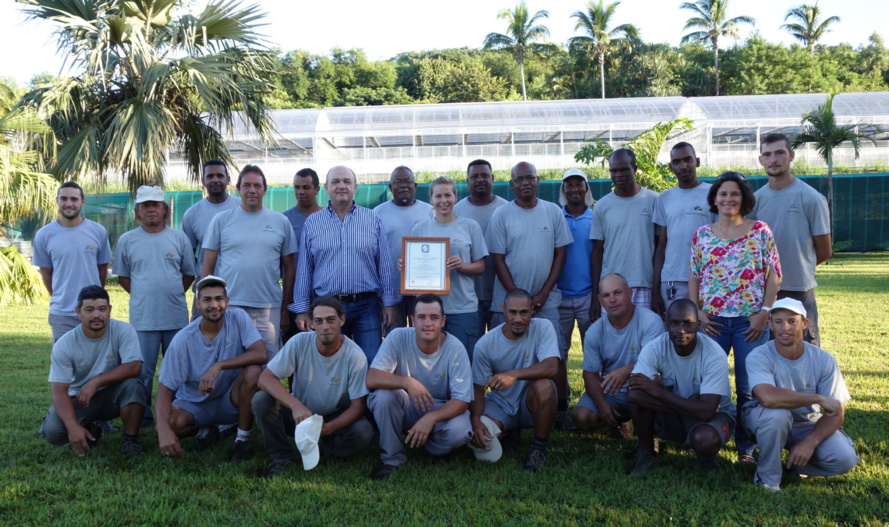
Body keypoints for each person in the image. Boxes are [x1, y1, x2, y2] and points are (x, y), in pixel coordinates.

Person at [689, 171, 781, 463]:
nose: (729, 199)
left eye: (735, 194)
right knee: (706, 385)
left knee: (748, 387)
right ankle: (700, 440)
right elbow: (693, 277)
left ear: (744, 199)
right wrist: (698, 312)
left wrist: (764, 313)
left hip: (749, 324)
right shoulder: (702, 235)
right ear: (714, 199)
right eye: (723, 194)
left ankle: (746, 448)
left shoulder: (760, 231)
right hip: (711, 323)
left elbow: (774, 276)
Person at [486, 161, 574, 430]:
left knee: (554, 356)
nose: (525, 183)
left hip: (546, 300)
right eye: (519, 179)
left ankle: (559, 409)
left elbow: (561, 254)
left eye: (530, 178)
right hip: (509, 302)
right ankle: (505, 407)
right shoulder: (501, 215)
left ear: (538, 182)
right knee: (505, 356)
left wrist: (544, 292)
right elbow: (497, 259)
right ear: (511, 184)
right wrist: (516, 298)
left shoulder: (552, 212)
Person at [742, 298, 858, 492]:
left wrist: (809, 443)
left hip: (807, 423)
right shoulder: (759, 355)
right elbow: (767, 398)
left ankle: (793, 462)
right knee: (778, 415)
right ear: (770, 324)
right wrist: (818, 398)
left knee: (844, 459)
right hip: (764, 419)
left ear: (805, 324)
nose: (784, 327)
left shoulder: (824, 360)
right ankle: (767, 479)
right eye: (778, 321)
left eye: (792, 321)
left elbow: (836, 411)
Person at [252, 296, 373, 478]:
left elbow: (358, 407)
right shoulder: (299, 342)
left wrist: (329, 428)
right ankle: (282, 457)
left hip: (333, 415)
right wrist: (295, 405)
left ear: (342, 320)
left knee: (363, 431)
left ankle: (329, 450)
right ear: (312, 324)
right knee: (260, 400)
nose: (325, 326)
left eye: (331, 320)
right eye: (319, 321)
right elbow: (265, 379)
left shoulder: (355, 355)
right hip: (300, 415)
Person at [291, 165, 399, 364]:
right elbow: (305, 269)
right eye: (336, 182)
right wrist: (301, 309)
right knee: (331, 364)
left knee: (369, 363)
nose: (341, 186)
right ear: (326, 187)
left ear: (355, 187)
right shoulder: (313, 223)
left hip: (366, 307)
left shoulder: (372, 219)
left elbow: (383, 264)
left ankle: (367, 397)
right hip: (326, 307)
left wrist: (389, 303)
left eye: (347, 182)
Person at [155, 276, 267, 463]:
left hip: (229, 399)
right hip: (194, 404)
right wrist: (164, 429)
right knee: (169, 424)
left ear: (227, 301)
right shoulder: (182, 340)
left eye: (219, 299)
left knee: (254, 372)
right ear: (198, 303)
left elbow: (261, 354)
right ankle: (205, 432)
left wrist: (220, 365)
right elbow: (165, 390)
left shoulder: (238, 317)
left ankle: (241, 440)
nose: (214, 305)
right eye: (207, 300)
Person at [365, 295, 473, 481]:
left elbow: (462, 400)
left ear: (443, 320)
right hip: (407, 406)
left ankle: (431, 447)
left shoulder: (455, 347)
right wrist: (407, 382)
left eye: (434, 317)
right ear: (412, 320)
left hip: (439, 408)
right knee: (383, 396)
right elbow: (372, 377)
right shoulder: (397, 336)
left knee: (460, 431)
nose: (427, 323)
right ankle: (392, 458)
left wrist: (431, 418)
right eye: (421, 317)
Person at [115, 185, 195, 425]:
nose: (151, 210)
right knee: (144, 370)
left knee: (178, 368)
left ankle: (177, 409)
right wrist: (145, 294)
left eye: (155, 205)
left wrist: (169, 293)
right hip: (144, 319)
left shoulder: (179, 237)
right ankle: (144, 414)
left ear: (165, 210)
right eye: (145, 206)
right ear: (137, 211)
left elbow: (189, 274)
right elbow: (123, 277)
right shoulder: (127, 240)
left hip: (175, 318)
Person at [627, 299, 737, 474]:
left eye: (688, 324)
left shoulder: (714, 354)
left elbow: (707, 411)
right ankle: (647, 454)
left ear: (698, 325)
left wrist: (658, 392)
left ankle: (706, 456)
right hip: (685, 409)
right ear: (666, 323)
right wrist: (686, 404)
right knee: (638, 403)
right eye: (674, 324)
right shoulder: (655, 347)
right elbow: (634, 395)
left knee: (704, 439)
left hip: (714, 415)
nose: (681, 330)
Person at [39, 286, 146, 459]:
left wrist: (95, 382)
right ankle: (90, 427)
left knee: (134, 386)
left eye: (102, 309)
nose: (96, 315)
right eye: (89, 310)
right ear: (78, 312)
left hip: (112, 394)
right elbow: (59, 390)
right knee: (53, 432)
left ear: (109, 310)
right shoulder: (65, 344)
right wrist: (72, 426)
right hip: (80, 398)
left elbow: (135, 366)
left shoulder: (123, 330)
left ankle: (130, 440)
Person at [202, 165, 296, 360]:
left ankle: (264, 393)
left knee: (268, 361)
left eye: (257, 185)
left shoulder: (280, 222)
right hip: (231, 305)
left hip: (268, 308)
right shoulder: (221, 220)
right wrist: (207, 302)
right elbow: (207, 268)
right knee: (230, 361)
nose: (252, 190)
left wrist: (286, 309)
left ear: (264, 189)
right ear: (237, 188)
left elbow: (289, 269)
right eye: (246, 185)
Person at [754, 133, 832, 347]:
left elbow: (825, 250)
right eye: (767, 154)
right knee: (767, 356)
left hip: (799, 291)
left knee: (803, 354)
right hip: (764, 294)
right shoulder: (756, 201)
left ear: (792, 155)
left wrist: (797, 269)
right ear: (760, 160)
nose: (774, 159)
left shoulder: (811, 198)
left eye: (780, 153)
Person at [470, 289, 559, 471]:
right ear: (504, 310)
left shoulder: (543, 327)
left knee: (544, 386)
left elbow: (551, 367)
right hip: (501, 403)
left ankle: (538, 447)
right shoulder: (485, 344)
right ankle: (509, 430)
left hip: (530, 402)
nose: (518, 319)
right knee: (480, 438)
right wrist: (476, 420)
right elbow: (478, 389)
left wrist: (514, 374)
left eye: (524, 312)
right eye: (513, 312)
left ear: (532, 310)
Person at [572, 274, 664, 435]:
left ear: (630, 293)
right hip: (612, 391)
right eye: (606, 295)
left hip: (645, 387)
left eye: (617, 293)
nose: (612, 299)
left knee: (651, 380)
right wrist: (602, 404)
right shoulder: (595, 331)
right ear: (600, 300)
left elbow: (656, 362)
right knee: (581, 417)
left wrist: (625, 371)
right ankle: (620, 421)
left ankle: (648, 437)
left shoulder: (651, 321)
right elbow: (590, 373)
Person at [409, 176, 487, 357]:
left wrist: (463, 266)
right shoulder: (420, 230)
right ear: (431, 199)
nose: (443, 201)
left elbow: (481, 267)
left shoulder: (470, 226)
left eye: (448, 195)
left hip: (462, 308)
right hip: (430, 311)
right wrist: (406, 267)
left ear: (455, 197)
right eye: (438, 196)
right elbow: (414, 269)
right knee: (431, 363)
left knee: (464, 362)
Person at [33, 182, 112, 343]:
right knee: (65, 363)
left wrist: (94, 299)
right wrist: (61, 296)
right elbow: (46, 274)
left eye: (74, 199)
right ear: (57, 201)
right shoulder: (44, 235)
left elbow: (102, 269)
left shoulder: (98, 231)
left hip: (94, 311)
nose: (69, 203)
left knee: (97, 362)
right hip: (62, 313)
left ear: (82, 202)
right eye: (64, 199)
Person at [590, 148, 658, 320]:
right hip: (612, 289)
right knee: (615, 341)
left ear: (634, 169)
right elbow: (597, 251)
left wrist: (657, 291)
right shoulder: (602, 206)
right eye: (614, 170)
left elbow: (660, 249)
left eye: (624, 169)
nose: (618, 174)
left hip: (645, 285)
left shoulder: (654, 200)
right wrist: (595, 295)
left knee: (647, 343)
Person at [652, 142, 713, 315]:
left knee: (705, 334)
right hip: (672, 282)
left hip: (706, 280)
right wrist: (655, 290)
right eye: (677, 162)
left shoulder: (713, 194)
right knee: (677, 335)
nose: (683, 165)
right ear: (671, 167)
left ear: (698, 161)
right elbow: (661, 246)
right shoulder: (664, 198)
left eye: (688, 160)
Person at [373, 166, 433, 329]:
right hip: (391, 290)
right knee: (395, 339)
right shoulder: (377, 213)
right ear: (391, 187)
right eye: (398, 182)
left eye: (408, 181)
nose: (403, 186)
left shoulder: (430, 211)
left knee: (422, 336)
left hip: (422, 289)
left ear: (415, 186)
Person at [181, 159, 242, 318]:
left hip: (239, 287)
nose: (215, 180)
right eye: (210, 176)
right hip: (206, 288)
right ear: (203, 181)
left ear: (228, 179)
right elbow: (188, 254)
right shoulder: (192, 214)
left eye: (220, 176)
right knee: (201, 334)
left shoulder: (242, 207)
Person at [454, 159, 508, 333]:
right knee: (472, 349)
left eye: (484, 175)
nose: (480, 180)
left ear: (492, 178)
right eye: (474, 176)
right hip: (468, 297)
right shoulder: (456, 211)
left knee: (499, 349)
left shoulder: (506, 209)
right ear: (467, 181)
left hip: (502, 294)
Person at [281, 168, 324, 341]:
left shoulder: (328, 218)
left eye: (306, 187)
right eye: (296, 187)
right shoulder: (284, 220)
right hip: (293, 296)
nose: (300, 192)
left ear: (317, 189)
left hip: (323, 295)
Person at [556, 168, 595, 357]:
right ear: (563, 190)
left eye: (579, 184)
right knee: (559, 351)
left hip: (588, 296)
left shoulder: (595, 218)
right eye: (569, 185)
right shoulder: (555, 218)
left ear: (586, 187)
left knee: (593, 350)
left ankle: (594, 387)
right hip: (560, 296)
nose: (574, 189)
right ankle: (561, 388)